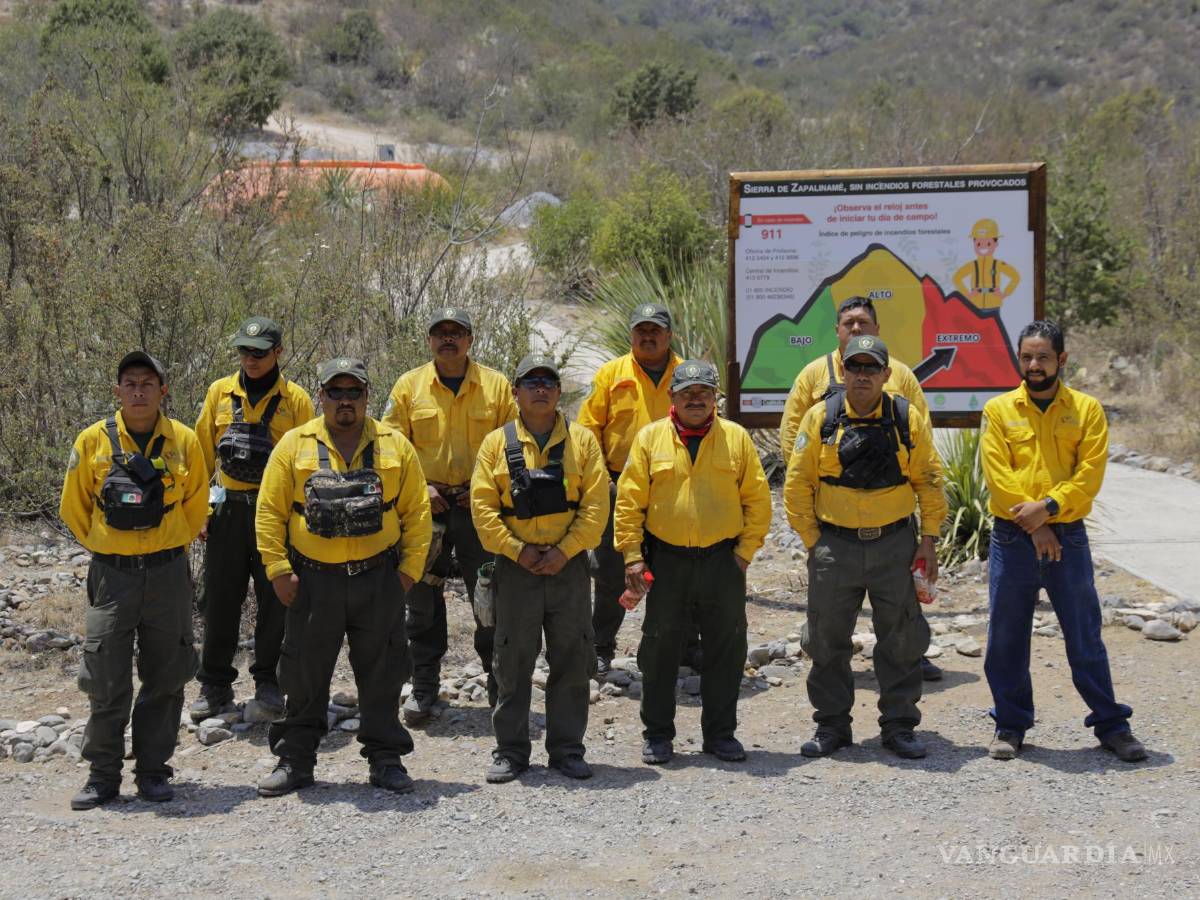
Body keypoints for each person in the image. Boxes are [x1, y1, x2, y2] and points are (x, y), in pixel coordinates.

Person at [254, 357, 432, 796]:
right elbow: (269, 513)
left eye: (355, 392)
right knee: (303, 675)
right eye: (337, 392)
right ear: (322, 396)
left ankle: (385, 760)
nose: (346, 401)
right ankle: (296, 760)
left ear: (368, 396)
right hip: (314, 583)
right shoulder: (294, 445)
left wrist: (407, 574)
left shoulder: (396, 445)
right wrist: (278, 571)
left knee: (383, 674)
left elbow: (417, 513)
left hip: (378, 579)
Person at [980, 320, 1146, 762]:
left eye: (1044, 357)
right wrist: (1036, 524)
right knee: (1005, 638)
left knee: (1084, 635)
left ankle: (1112, 724)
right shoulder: (998, 410)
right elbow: (999, 478)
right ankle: (1010, 725)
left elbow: (1088, 475)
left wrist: (1048, 510)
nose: (1034, 365)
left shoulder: (1087, 409)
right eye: (1027, 357)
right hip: (1012, 538)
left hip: (1066, 539)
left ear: (1062, 359)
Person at [785, 335, 946, 759]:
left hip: (895, 545)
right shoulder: (820, 418)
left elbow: (929, 481)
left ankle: (899, 726)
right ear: (842, 371)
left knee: (900, 639)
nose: (862, 375)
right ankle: (832, 727)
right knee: (826, 640)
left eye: (871, 368)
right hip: (834, 547)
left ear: (886, 375)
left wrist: (927, 541)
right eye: (854, 367)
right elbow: (798, 483)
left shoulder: (906, 418)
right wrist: (813, 541)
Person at [59, 351, 209, 809]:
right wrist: (110, 546)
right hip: (112, 577)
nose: (139, 390)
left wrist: (165, 544)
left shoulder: (184, 440)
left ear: (164, 390)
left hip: (167, 575)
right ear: (117, 391)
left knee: (167, 675)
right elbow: (74, 507)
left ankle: (153, 771)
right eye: (130, 382)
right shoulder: (91, 441)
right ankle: (103, 776)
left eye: (148, 382)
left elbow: (198, 504)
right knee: (105, 677)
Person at [614, 360, 771, 765]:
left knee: (726, 650)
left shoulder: (735, 438)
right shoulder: (650, 439)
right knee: (660, 650)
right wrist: (632, 555)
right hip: (667, 562)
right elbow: (629, 503)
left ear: (715, 397)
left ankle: (720, 736)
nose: (696, 399)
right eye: (688, 393)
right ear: (673, 397)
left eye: (704, 392)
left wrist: (743, 554)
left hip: (723, 563)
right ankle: (658, 736)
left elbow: (757, 500)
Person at [470, 352, 609, 783]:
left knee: (572, 659)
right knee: (511, 661)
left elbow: (596, 507)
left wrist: (565, 551)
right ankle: (510, 751)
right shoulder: (496, 444)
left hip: (568, 570)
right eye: (531, 382)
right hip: (516, 570)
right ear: (515, 391)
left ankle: (567, 750)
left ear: (559, 391)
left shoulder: (583, 443)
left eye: (548, 381)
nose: (541, 389)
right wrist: (517, 550)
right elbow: (483, 509)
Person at [382, 308, 517, 724]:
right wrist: (420, 488)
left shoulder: (495, 386)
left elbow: (514, 447)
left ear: (470, 339)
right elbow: (389, 446)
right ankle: (424, 687)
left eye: (456, 333)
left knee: (490, 596)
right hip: (428, 508)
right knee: (421, 598)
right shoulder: (409, 386)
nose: (448, 340)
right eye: (440, 333)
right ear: (429, 341)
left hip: (479, 508)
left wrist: (482, 489)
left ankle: (499, 686)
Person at [190, 317, 314, 722]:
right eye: (245, 351)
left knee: (275, 599)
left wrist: (298, 520)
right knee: (220, 598)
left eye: (259, 352)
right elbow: (200, 455)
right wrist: (199, 511)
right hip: (227, 510)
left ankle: (270, 682)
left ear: (278, 352)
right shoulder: (219, 393)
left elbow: (308, 463)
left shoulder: (296, 401)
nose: (251, 359)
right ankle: (214, 684)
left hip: (274, 513)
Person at [577, 302, 684, 675]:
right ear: (631, 334)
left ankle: (673, 646)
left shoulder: (685, 373)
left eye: (656, 329)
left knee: (672, 567)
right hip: (617, 484)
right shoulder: (610, 374)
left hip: (672, 486)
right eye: (641, 329)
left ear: (669, 335)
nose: (648, 336)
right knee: (610, 569)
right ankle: (601, 645)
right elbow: (587, 429)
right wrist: (599, 479)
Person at [953, 218, 1020, 310]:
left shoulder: (999, 264)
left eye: (988, 243)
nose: (983, 247)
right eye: (979, 244)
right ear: (974, 243)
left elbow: (1015, 276)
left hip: (994, 305)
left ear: (996, 243)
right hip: (975, 304)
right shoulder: (972, 265)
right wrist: (967, 294)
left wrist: (1005, 293)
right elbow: (956, 278)